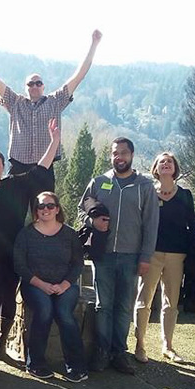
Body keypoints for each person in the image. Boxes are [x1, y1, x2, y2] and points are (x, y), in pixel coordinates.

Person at [0, 118, 59, 362]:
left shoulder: (16, 185)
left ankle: (1, 342)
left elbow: (41, 168)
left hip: (12, 251)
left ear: (3, 167)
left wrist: (54, 142)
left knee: (9, 295)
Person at [79, 137, 158, 375]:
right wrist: (92, 221)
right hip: (102, 255)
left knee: (123, 307)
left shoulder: (144, 186)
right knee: (103, 306)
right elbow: (81, 209)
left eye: (123, 153)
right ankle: (102, 352)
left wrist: (146, 257)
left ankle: (118, 353)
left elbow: (151, 225)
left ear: (132, 155)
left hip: (131, 256)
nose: (119, 157)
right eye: (115, 153)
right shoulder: (99, 182)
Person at [0, 31, 102, 176]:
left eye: (38, 83)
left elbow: (78, 76)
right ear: (25, 87)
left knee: (46, 200)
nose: (34, 86)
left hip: (45, 167)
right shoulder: (15, 102)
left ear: (43, 86)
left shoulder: (55, 101)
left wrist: (94, 44)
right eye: (31, 83)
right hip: (18, 167)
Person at [14, 192, 88, 383]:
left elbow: (77, 264)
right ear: (36, 210)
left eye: (50, 205)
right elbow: (19, 265)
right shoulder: (26, 234)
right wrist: (42, 285)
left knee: (64, 314)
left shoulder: (69, 234)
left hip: (65, 286)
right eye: (41, 206)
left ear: (57, 209)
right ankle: (36, 364)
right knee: (44, 311)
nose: (45, 209)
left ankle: (76, 366)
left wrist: (64, 285)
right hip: (35, 285)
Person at [133, 153, 195, 364]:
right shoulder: (148, 193)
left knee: (171, 302)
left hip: (177, 254)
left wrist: (194, 254)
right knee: (144, 301)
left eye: (169, 161)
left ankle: (168, 346)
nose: (166, 164)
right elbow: (139, 224)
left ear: (175, 168)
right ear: (155, 168)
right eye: (162, 161)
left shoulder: (185, 195)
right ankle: (140, 345)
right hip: (151, 253)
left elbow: (192, 226)